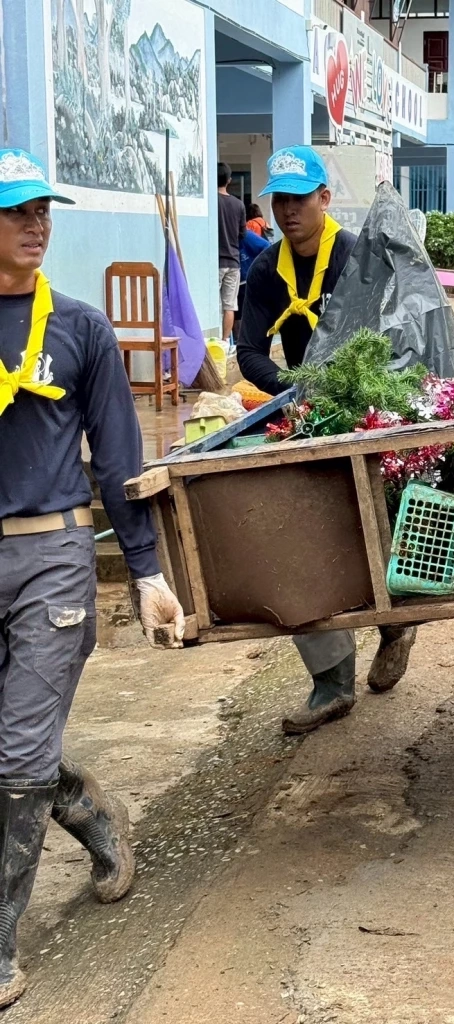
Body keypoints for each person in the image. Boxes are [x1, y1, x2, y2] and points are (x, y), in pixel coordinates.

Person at [0, 148, 185, 1008]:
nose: (37, 224)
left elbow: (118, 457)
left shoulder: (79, 329)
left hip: (54, 555)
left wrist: (145, 572)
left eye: (44, 210)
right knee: (15, 753)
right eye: (17, 211)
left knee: (16, 754)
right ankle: (86, 809)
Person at [237, 146, 417, 734]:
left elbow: (400, 330)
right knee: (299, 535)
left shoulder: (357, 257)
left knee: (380, 520)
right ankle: (331, 680)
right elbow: (247, 352)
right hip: (306, 411)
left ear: (325, 199)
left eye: (300, 198)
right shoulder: (265, 270)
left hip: (369, 404)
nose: (289, 210)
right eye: (279, 200)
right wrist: (292, 386)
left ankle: (395, 624)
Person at [217, 161, 246, 344]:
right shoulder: (239, 205)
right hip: (233, 262)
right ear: (229, 180)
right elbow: (243, 234)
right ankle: (225, 342)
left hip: (215, 262)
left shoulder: (211, 203)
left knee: (214, 303)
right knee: (229, 305)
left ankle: (211, 341)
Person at [233, 228, 270, 342]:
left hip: (246, 281)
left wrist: (257, 267)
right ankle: (238, 341)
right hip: (237, 280)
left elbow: (266, 246)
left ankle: (245, 340)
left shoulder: (246, 236)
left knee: (242, 313)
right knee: (235, 312)